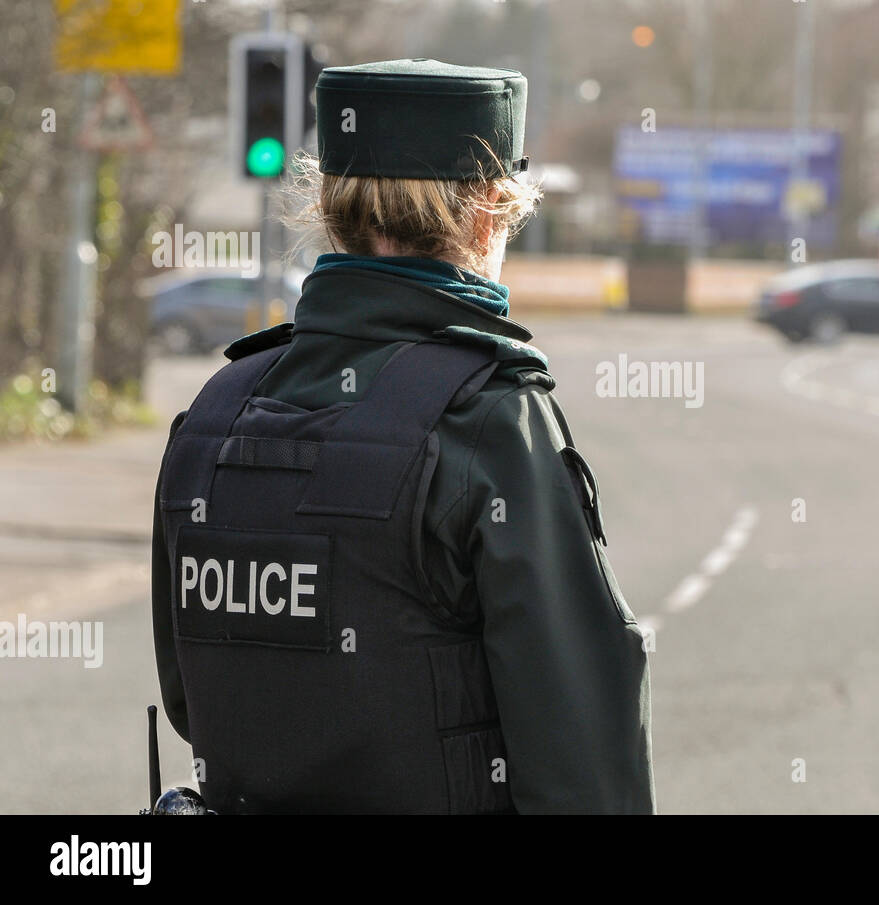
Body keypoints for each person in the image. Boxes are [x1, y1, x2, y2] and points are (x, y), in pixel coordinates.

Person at [150, 58, 655, 814]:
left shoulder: (214, 414)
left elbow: (194, 705)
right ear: (488, 214)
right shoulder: (490, 418)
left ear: (330, 205)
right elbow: (580, 760)